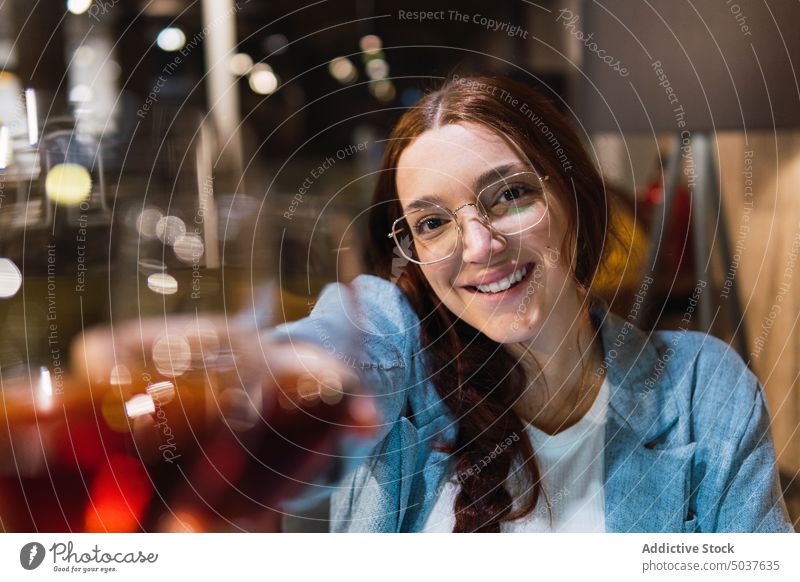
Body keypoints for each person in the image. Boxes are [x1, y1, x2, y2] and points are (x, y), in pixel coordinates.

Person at [267, 74, 793, 533]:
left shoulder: (701, 386)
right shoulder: (401, 352)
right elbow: (327, 350)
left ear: (573, 197)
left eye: (510, 194)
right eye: (432, 223)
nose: (478, 246)